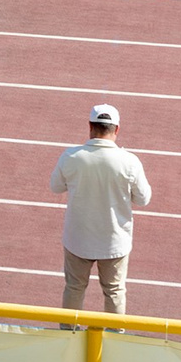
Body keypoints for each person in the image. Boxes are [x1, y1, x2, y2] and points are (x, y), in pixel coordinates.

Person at [50, 103, 149, 314]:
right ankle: (114, 337)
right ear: (117, 129)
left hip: (78, 238)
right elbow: (143, 199)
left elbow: (55, 187)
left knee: (74, 288)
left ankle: (69, 334)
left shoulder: (71, 157)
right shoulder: (129, 162)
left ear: (90, 126)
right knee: (114, 290)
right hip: (114, 241)